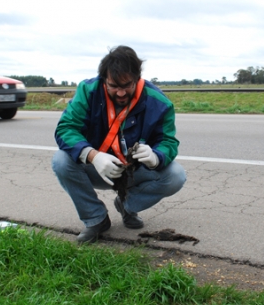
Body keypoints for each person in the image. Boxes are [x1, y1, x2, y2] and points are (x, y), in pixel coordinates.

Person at [52, 45, 186, 243]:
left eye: (127, 85)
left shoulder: (160, 102)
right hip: (99, 168)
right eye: (114, 86)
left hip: (135, 171)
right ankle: (96, 219)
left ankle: (126, 205)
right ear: (104, 79)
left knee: (176, 175)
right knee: (61, 160)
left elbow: (168, 141)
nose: (121, 93)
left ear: (137, 78)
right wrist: (93, 155)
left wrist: (156, 157)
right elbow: (65, 129)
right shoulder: (88, 91)